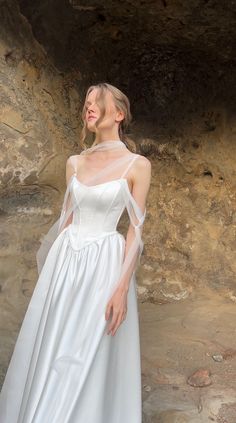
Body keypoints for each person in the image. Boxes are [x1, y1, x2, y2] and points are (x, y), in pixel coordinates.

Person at [0, 82, 151, 422]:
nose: (89, 106)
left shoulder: (137, 165)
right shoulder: (74, 162)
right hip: (67, 261)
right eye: (86, 102)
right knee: (56, 346)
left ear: (119, 113)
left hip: (104, 266)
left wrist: (122, 287)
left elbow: (135, 230)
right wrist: (52, 280)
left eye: (97, 100)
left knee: (89, 349)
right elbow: (65, 222)